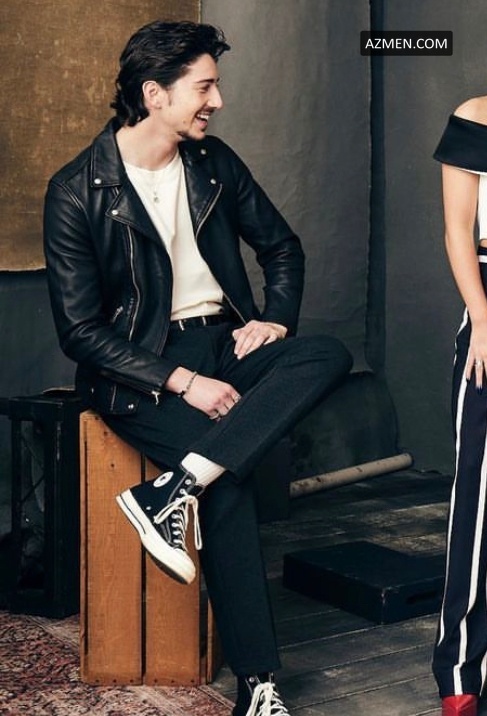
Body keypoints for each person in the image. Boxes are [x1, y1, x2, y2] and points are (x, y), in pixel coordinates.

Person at [43, 20, 352, 716]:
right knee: (229, 487)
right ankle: (260, 685)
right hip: (141, 373)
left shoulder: (213, 163)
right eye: (204, 87)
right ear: (154, 94)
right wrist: (180, 381)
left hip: (226, 344)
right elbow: (81, 332)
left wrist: (274, 319)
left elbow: (282, 247)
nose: (217, 100)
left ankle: (175, 488)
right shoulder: (77, 190)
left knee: (326, 353)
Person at [432, 97, 487, 716]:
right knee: (476, 487)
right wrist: (482, 318)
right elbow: (458, 230)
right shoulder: (476, 116)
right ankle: (459, 672)